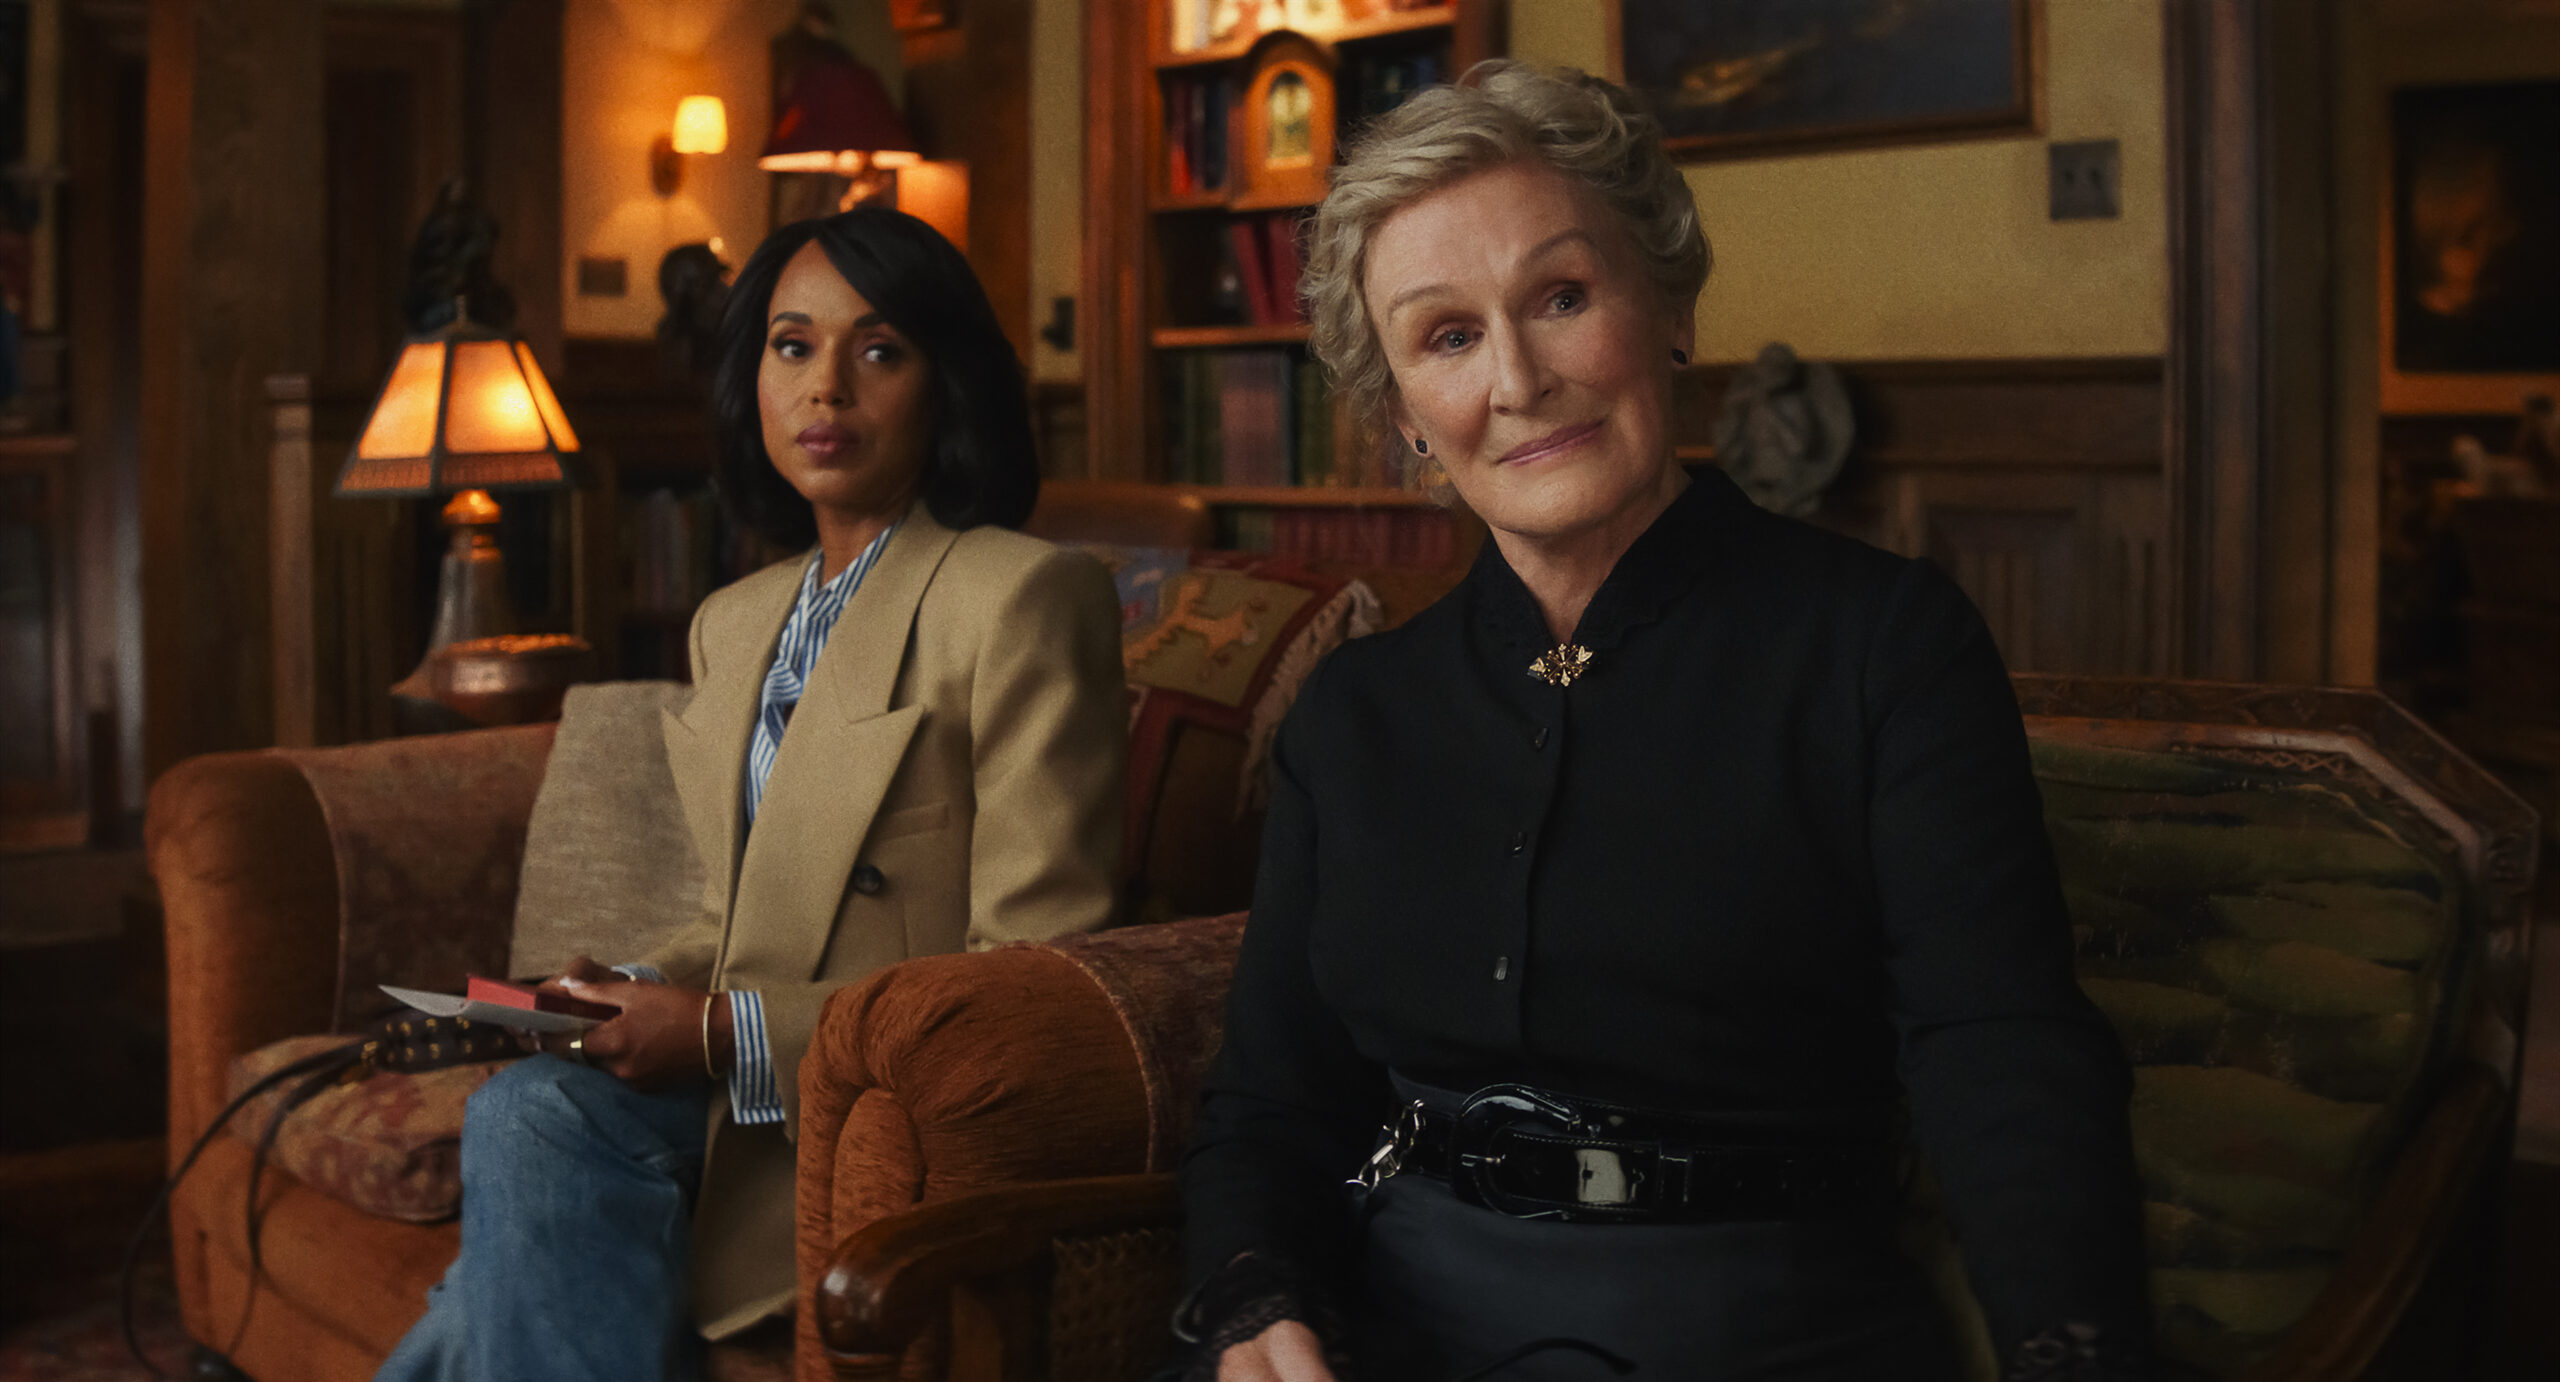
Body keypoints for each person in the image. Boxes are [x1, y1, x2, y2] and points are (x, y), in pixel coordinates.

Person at [1174, 63, 2148, 1381]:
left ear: (1671, 308)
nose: (1517, 378)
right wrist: (1256, 1301)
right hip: (1393, 1324)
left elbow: (1999, 1044)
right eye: (1448, 336)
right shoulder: (1354, 711)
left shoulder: (1884, 645)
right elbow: (1271, 1099)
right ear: (1405, 417)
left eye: (1562, 298)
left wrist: (2070, 1348)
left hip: (1766, 1329)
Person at [375, 207, 1128, 1382]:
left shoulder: (1022, 596)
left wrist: (722, 1031)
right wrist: (630, 987)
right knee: (532, 1114)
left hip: (876, 1114)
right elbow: (751, 916)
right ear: (753, 380)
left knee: (527, 1132)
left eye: (878, 349)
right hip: (736, 1085)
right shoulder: (734, 621)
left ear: (945, 381)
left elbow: (1033, 977)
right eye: (791, 345)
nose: (825, 386)